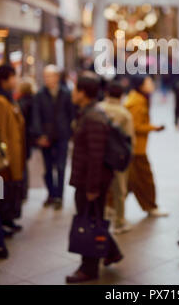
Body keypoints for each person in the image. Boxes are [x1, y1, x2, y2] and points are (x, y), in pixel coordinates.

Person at [66, 74, 122, 284]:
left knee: (88, 221)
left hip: (91, 181)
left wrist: (92, 187)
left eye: (75, 90)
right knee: (94, 217)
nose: (72, 93)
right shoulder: (88, 113)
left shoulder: (93, 117)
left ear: (83, 93)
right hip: (87, 178)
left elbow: (96, 156)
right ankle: (111, 252)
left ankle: (88, 268)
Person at [125, 75, 168, 217]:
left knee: (132, 180)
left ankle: (112, 207)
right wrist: (154, 128)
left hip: (135, 147)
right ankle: (150, 206)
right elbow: (135, 126)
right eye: (148, 82)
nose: (151, 84)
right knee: (144, 179)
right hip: (136, 148)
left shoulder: (138, 98)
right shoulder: (137, 101)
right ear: (141, 86)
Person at [32, 65, 74, 210]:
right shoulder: (39, 95)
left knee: (61, 167)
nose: (48, 79)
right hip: (46, 136)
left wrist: (70, 133)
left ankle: (59, 197)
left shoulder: (66, 93)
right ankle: (51, 193)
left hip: (62, 135)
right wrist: (39, 135)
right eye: (46, 76)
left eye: (50, 76)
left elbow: (71, 114)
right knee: (48, 167)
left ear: (56, 77)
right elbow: (36, 116)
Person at [99, 81, 134, 234]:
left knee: (101, 188)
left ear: (107, 93)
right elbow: (130, 138)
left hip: (100, 154)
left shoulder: (98, 108)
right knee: (120, 190)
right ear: (121, 95)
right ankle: (119, 222)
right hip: (118, 157)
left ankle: (102, 216)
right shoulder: (124, 113)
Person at [0, 64, 25, 235]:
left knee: (8, 191)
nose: (16, 80)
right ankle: (2, 226)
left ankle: (6, 222)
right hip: (5, 159)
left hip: (13, 153)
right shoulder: (1, 101)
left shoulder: (8, 98)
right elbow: (0, 132)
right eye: (13, 77)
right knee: (2, 192)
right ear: (4, 80)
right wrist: (4, 157)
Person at [18, 78, 36, 200]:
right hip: (28, 137)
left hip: (23, 137)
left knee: (22, 165)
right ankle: (24, 192)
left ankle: (23, 192)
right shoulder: (34, 100)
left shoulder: (22, 102)